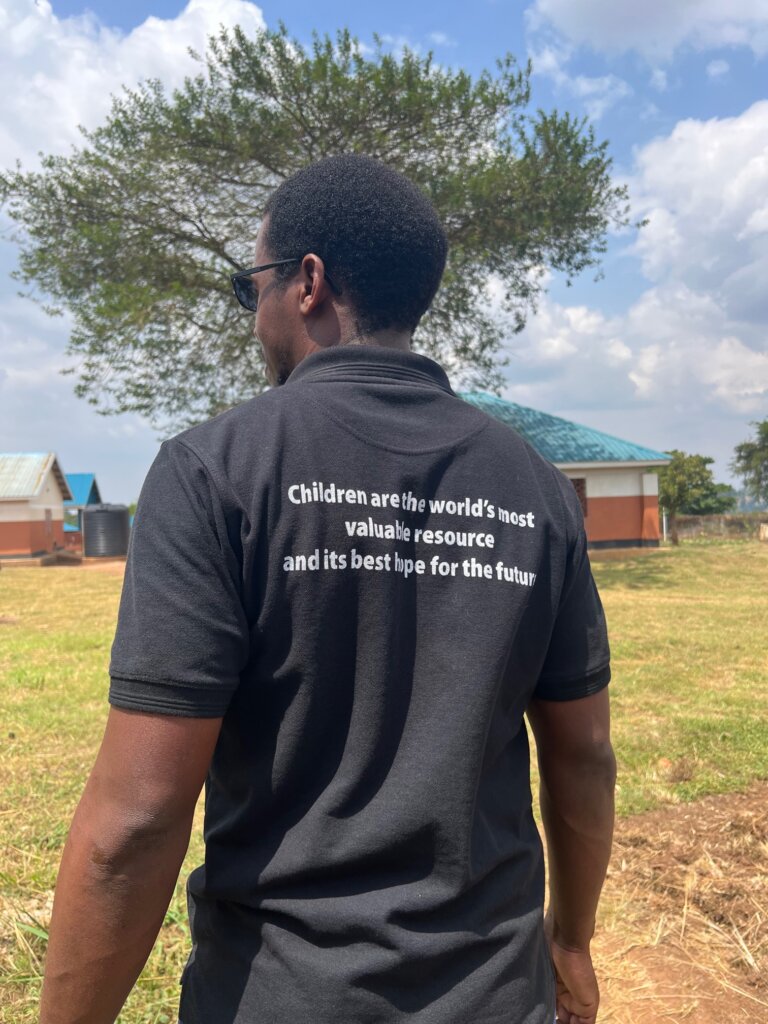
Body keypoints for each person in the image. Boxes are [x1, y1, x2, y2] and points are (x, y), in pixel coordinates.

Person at [40, 154, 616, 1024]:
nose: (253, 313)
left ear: (305, 284)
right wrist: (569, 939)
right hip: (499, 996)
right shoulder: (535, 486)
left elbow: (136, 823)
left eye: (252, 285)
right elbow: (584, 755)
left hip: (279, 996)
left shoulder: (216, 471)